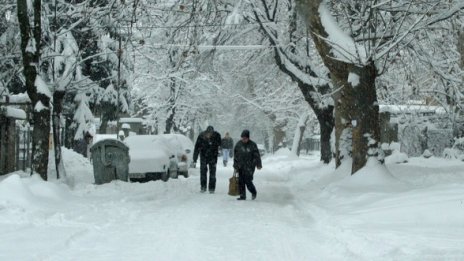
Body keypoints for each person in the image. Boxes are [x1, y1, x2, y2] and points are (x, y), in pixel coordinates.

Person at [233, 129, 262, 200]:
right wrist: (235, 165)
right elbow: (236, 156)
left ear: (248, 138)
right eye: (242, 138)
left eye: (245, 138)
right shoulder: (238, 144)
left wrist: (258, 164)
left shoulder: (253, 145)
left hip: (250, 166)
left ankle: (253, 192)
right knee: (241, 181)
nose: (244, 139)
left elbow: (257, 155)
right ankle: (242, 196)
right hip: (240, 166)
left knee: (248, 181)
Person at [193, 126, 222, 193]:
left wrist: (219, 150)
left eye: (211, 133)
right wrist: (195, 158)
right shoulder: (201, 136)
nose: (209, 135)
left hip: (213, 156)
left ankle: (212, 188)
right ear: (206, 132)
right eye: (208, 133)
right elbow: (196, 147)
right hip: (203, 156)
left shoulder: (217, 136)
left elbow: (220, 145)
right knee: (203, 172)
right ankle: (203, 187)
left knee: (212, 173)